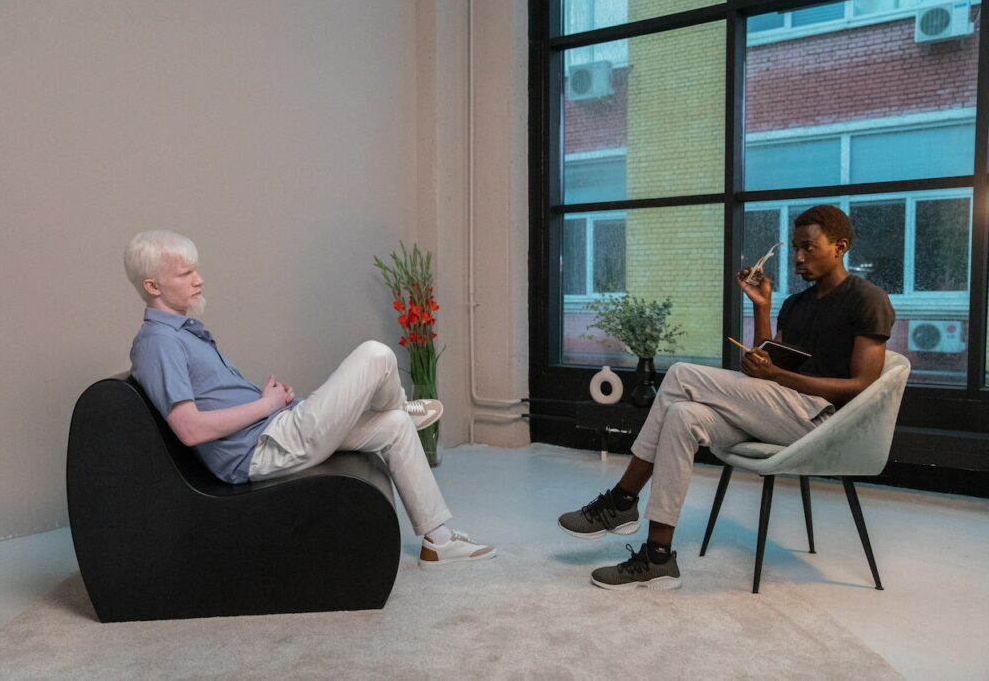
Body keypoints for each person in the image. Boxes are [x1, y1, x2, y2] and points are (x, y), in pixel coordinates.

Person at [558, 204, 895, 590]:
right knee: (683, 414)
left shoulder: (867, 298)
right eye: (795, 249)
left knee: (682, 374)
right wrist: (762, 308)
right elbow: (770, 362)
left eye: (810, 248)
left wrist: (778, 375)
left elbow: (863, 385)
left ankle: (621, 500)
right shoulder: (795, 304)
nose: (799, 258)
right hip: (781, 411)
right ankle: (658, 557)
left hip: (823, 422)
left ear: (840, 246)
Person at [124, 230, 495, 567]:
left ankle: (438, 541)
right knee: (376, 354)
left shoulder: (183, 333)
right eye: (185, 274)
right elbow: (188, 429)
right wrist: (266, 405)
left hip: (277, 427)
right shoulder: (159, 343)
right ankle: (397, 405)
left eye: (196, 270)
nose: (199, 279)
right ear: (153, 286)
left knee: (395, 428)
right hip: (265, 447)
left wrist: (272, 402)